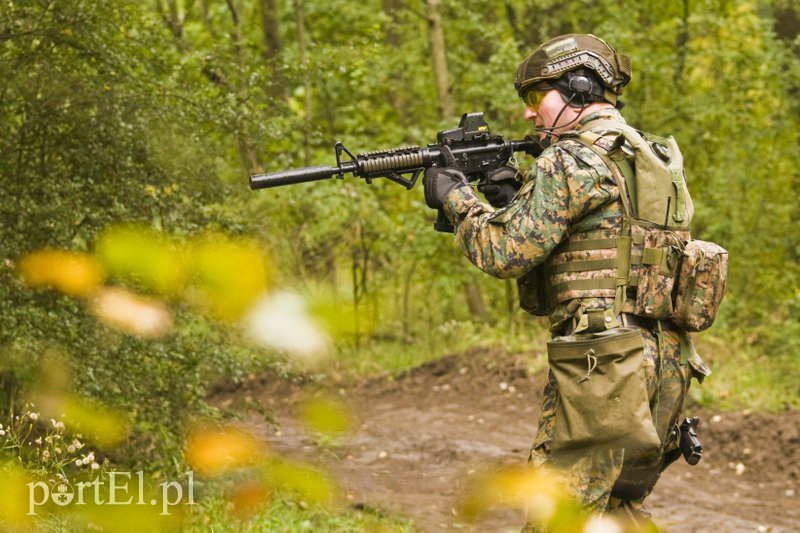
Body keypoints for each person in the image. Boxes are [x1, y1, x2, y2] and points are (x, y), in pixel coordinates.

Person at [423, 34, 712, 525]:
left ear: (579, 89)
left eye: (537, 99)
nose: (529, 114)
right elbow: (600, 245)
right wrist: (515, 194)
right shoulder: (653, 158)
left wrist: (457, 198)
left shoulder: (569, 160)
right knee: (618, 510)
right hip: (665, 365)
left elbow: (504, 251)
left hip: (602, 366)